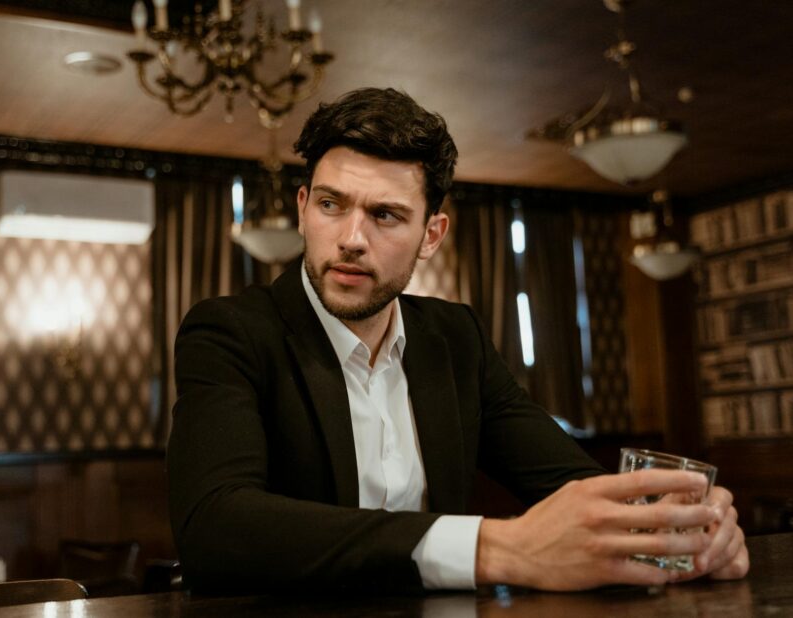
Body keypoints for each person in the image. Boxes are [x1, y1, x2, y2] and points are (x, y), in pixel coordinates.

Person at [167, 87, 748, 593]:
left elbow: (569, 482)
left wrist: (678, 526)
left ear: (431, 234)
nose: (350, 239)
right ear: (302, 209)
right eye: (330, 204)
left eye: (386, 215)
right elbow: (215, 530)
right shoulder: (231, 332)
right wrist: (495, 547)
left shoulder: (454, 338)